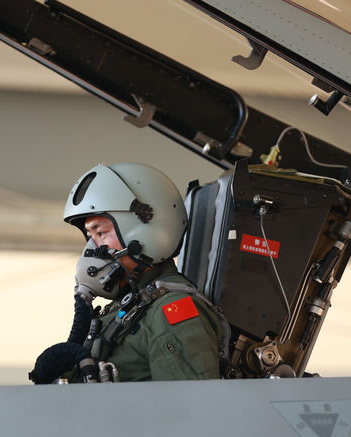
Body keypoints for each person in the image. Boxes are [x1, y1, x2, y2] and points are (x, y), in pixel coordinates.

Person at [29, 163, 225, 384]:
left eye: (101, 232)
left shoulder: (170, 312)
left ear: (146, 232)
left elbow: (191, 403)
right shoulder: (130, 306)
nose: (92, 249)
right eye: (90, 236)